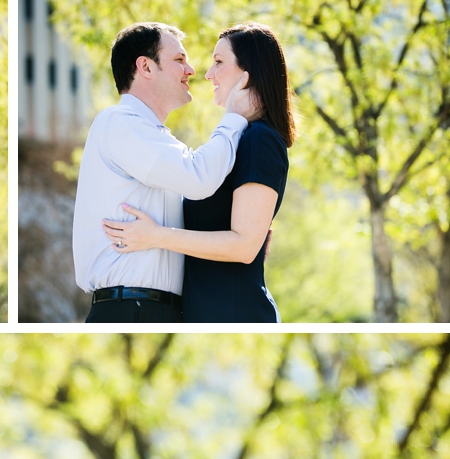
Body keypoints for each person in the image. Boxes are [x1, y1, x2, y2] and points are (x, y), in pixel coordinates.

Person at [102, 23, 296, 322]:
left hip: (235, 315)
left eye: (219, 62)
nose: (207, 73)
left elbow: (244, 246)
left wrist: (156, 236)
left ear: (249, 73)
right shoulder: (240, 140)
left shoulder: (260, 139)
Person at [73, 21, 259, 323]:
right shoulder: (119, 123)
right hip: (129, 310)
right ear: (145, 67)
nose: (191, 70)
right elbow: (200, 178)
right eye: (179, 59)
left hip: (154, 310)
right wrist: (234, 118)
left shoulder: (155, 139)